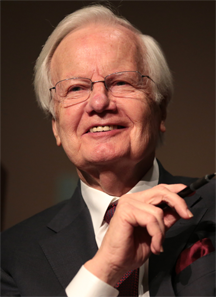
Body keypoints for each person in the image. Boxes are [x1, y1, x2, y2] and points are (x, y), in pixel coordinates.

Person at [0, 5, 216, 297]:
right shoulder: (12, 255)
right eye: (76, 88)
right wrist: (104, 270)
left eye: (121, 82)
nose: (99, 103)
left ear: (160, 112)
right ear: (55, 127)